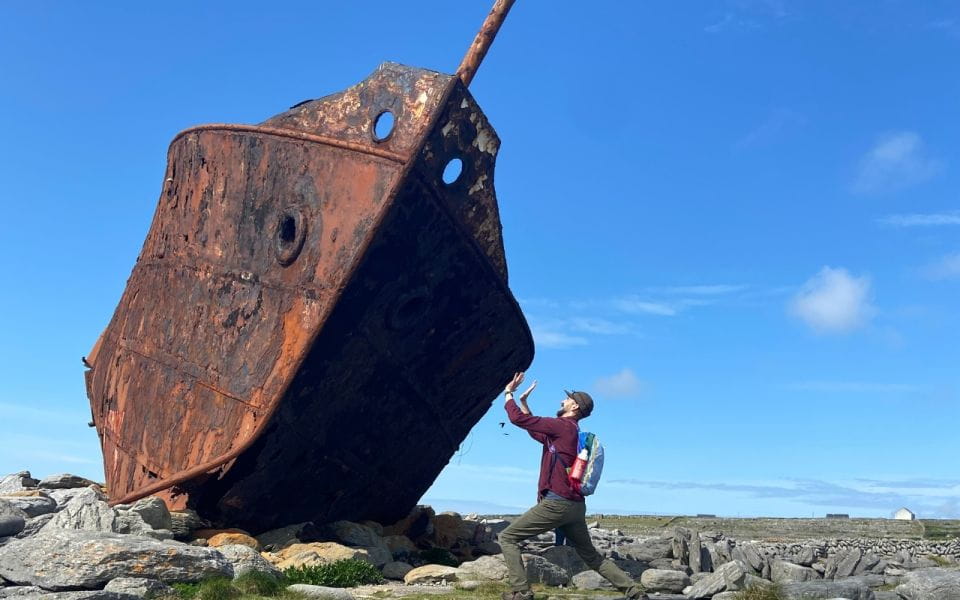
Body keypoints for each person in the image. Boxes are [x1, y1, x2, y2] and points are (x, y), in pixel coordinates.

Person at [498, 372, 647, 600]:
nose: (562, 401)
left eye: (567, 399)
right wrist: (525, 403)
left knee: (507, 537)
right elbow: (537, 432)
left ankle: (521, 591)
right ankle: (634, 591)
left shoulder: (562, 426)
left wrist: (509, 393)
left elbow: (518, 420)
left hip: (556, 503)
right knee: (591, 556)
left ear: (575, 406)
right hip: (575, 506)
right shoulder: (571, 431)